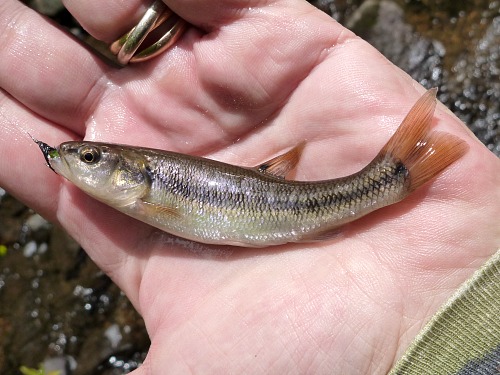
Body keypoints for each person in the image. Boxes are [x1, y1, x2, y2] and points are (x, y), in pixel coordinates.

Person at [0, 0, 498, 373]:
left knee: (377, 183)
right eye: (86, 157)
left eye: (90, 158)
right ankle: (390, 180)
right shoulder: (137, 194)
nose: (79, 161)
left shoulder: (148, 195)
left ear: (134, 176)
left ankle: (390, 180)